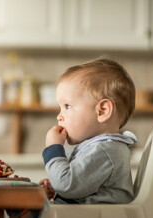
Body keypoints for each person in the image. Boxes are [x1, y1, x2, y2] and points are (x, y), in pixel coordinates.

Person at [40, 58, 137, 204]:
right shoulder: (101, 148)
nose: (59, 116)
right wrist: (56, 188)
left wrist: (53, 149)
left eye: (67, 106)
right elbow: (77, 186)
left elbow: (67, 184)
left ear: (102, 111)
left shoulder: (105, 150)